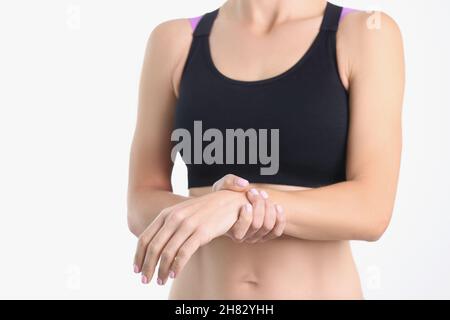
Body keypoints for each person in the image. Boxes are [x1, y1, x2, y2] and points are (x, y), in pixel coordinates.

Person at [127, 0, 405, 299]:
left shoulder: (365, 33)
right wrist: (218, 208)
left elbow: (372, 210)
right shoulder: (173, 41)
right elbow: (139, 203)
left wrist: (236, 206)